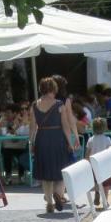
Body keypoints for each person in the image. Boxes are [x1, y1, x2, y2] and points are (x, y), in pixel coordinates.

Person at [31, 76, 78, 214]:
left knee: (45, 173)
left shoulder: (34, 105)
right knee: (61, 169)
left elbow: (32, 127)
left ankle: (50, 203)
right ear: (53, 88)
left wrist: (31, 143)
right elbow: (65, 126)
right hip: (57, 138)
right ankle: (58, 193)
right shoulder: (59, 104)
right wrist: (72, 142)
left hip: (42, 138)